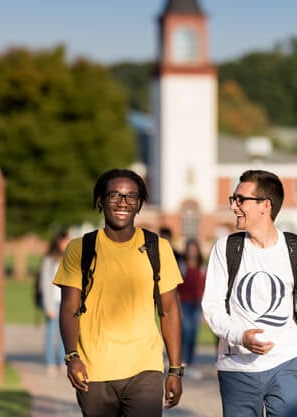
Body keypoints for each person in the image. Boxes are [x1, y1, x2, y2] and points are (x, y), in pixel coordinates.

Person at [201, 169, 297, 417]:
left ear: (265, 205)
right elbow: (211, 307)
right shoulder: (226, 249)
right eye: (233, 199)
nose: (234, 206)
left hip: (284, 365)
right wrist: (239, 336)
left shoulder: (296, 248)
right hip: (236, 369)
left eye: (240, 199)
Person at [53, 168, 184, 417]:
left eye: (131, 197)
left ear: (139, 204)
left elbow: (169, 310)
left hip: (145, 369)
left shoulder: (159, 248)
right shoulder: (80, 248)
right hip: (94, 371)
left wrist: (175, 370)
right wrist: (72, 357)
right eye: (114, 196)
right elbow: (69, 307)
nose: (122, 203)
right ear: (101, 201)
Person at [39, 228, 70, 376]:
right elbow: (44, 284)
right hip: (53, 302)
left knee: (65, 333)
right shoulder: (49, 260)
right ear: (59, 242)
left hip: (66, 302)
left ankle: (62, 362)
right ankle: (50, 362)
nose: (67, 243)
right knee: (51, 334)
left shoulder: (70, 257)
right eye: (65, 240)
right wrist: (48, 306)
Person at [177, 238, 206, 373]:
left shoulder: (202, 268)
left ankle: (191, 362)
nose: (192, 252)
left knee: (193, 334)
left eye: (195, 250)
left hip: (197, 306)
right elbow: (176, 289)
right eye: (190, 250)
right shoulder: (182, 267)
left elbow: (204, 289)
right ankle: (182, 362)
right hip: (184, 305)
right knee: (185, 334)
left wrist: (204, 312)